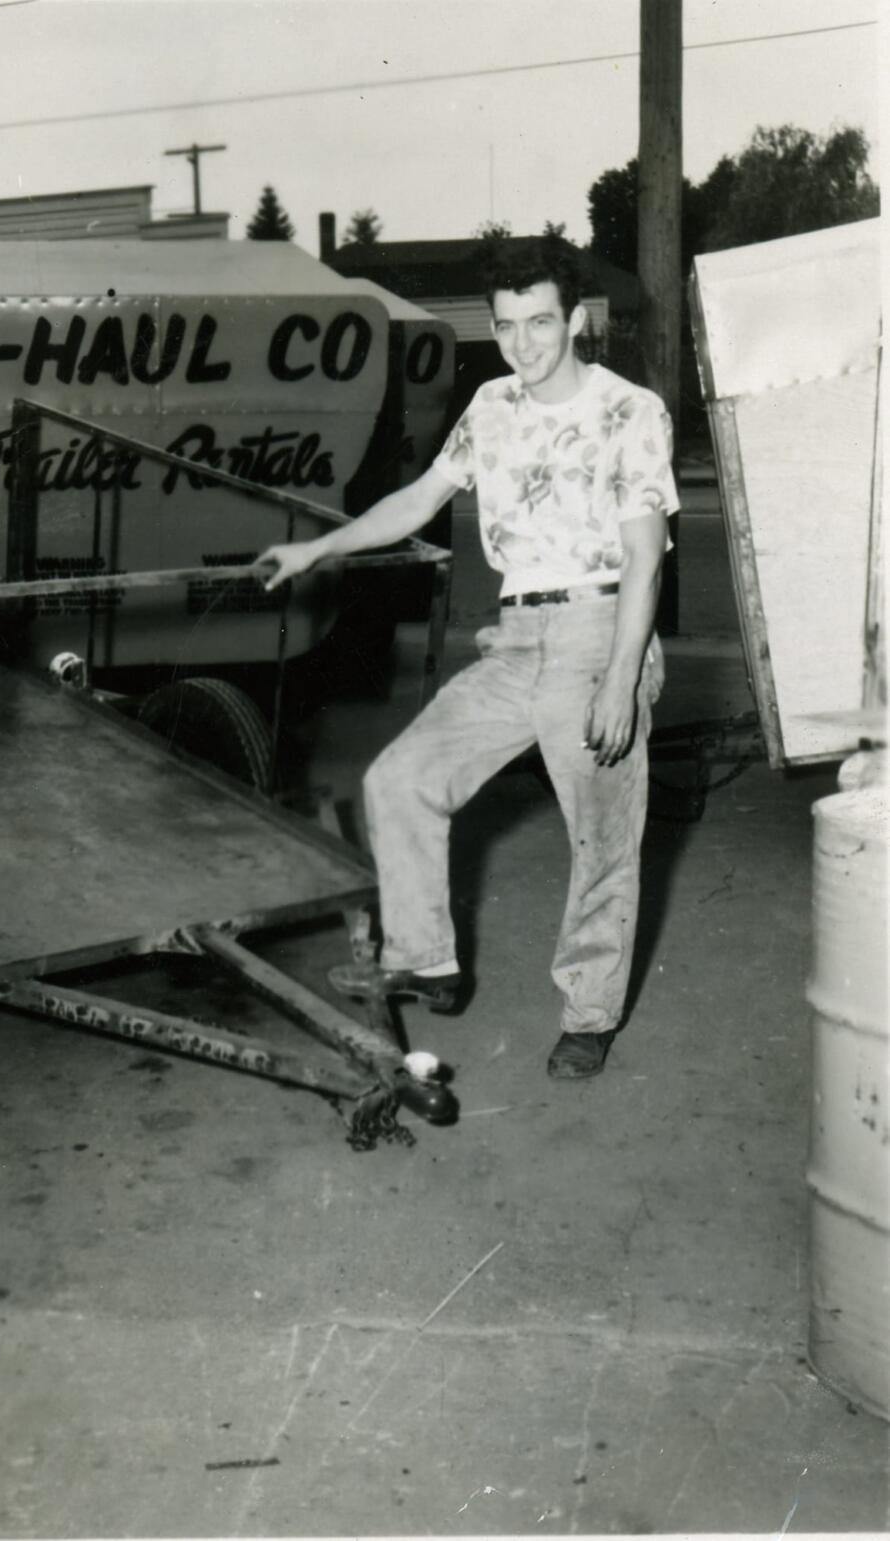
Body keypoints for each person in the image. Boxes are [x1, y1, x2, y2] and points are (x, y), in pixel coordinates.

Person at [257, 236, 677, 1079]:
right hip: (517, 635)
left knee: (599, 838)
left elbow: (646, 555)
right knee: (401, 776)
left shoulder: (629, 410)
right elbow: (419, 498)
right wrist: (319, 550)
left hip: (600, 630)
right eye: (509, 325)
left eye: (542, 323)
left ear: (578, 320)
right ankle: (428, 959)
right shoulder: (489, 406)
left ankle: (588, 1015)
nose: (525, 343)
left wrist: (623, 679)